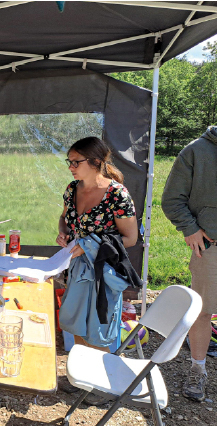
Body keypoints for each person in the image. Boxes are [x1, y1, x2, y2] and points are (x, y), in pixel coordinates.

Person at [56, 137, 139, 349]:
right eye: (69, 162)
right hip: (76, 271)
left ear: (95, 162)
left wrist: (89, 244)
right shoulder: (72, 189)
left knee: (97, 335)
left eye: (76, 162)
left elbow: (130, 238)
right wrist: (63, 233)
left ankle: (98, 381)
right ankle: (81, 380)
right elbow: (64, 218)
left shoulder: (117, 194)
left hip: (103, 274)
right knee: (75, 327)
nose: (71, 167)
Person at [161, 126, 217, 402]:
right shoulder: (197, 151)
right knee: (203, 311)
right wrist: (189, 228)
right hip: (212, 249)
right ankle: (198, 369)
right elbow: (172, 200)